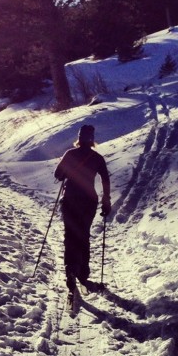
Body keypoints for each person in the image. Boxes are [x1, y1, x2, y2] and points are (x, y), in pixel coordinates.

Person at [54, 124, 111, 299]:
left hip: (70, 200)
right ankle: (83, 273)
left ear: (79, 138)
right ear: (92, 139)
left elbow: (58, 175)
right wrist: (106, 200)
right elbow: (105, 179)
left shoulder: (70, 154)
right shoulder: (97, 158)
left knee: (70, 235)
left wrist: (67, 173)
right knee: (83, 235)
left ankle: (70, 271)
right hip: (89, 201)